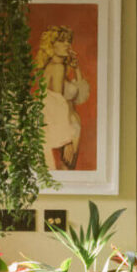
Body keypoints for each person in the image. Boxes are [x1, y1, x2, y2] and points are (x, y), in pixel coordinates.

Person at [35, 25, 90, 170]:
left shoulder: (55, 66)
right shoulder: (57, 67)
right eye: (61, 41)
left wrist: (76, 68)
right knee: (65, 172)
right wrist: (66, 140)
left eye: (68, 41)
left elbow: (80, 97)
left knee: (63, 174)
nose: (67, 45)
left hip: (67, 126)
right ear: (51, 45)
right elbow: (57, 104)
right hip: (66, 128)